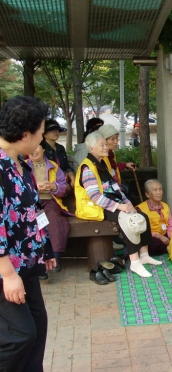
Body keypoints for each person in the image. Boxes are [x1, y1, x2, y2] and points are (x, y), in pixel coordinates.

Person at [0, 96, 56, 372]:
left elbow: (34, 210)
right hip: (6, 269)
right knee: (19, 336)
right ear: (25, 134)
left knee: (38, 327)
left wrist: (45, 249)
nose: (41, 140)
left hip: (28, 262)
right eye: (40, 133)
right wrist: (8, 274)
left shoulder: (21, 164)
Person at [75, 131, 162, 279]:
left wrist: (128, 203)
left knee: (141, 215)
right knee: (128, 220)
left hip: (113, 203)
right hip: (97, 208)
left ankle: (144, 255)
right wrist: (120, 207)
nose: (106, 147)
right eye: (101, 145)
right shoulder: (87, 167)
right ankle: (134, 262)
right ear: (91, 148)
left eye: (105, 144)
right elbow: (95, 196)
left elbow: (116, 188)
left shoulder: (102, 163)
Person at [27, 144, 70, 275]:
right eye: (31, 148)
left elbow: (63, 186)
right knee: (35, 222)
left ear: (43, 149)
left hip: (49, 200)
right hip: (31, 202)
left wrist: (53, 186)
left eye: (37, 148)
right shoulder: (23, 165)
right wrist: (34, 188)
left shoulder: (53, 166)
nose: (33, 151)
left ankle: (55, 256)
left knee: (53, 219)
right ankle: (38, 261)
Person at [136, 179, 172, 256]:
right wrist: (159, 236)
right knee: (153, 245)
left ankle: (170, 246)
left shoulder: (165, 206)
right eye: (155, 190)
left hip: (164, 233)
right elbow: (141, 230)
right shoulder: (141, 209)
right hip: (150, 236)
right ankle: (169, 248)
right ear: (147, 194)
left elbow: (170, 225)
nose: (159, 192)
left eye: (160, 189)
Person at [98, 124, 136, 193]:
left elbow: (113, 168)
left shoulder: (110, 154)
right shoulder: (100, 158)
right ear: (103, 142)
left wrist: (125, 165)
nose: (116, 141)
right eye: (112, 139)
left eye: (116, 138)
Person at [41, 119, 75, 188]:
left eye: (57, 130)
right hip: (49, 182)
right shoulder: (41, 149)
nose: (56, 132)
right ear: (44, 134)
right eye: (51, 130)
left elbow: (66, 166)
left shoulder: (60, 148)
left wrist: (72, 177)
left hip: (63, 180)